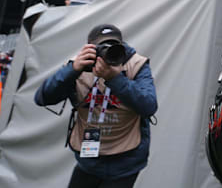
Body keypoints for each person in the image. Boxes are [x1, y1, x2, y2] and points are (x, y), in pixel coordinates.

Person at [34, 24, 157, 188]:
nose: (107, 52)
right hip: (88, 160)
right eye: (102, 47)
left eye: (113, 46)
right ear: (90, 48)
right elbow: (43, 98)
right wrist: (72, 70)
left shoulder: (136, 64)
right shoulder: (79, 65)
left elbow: (149, 106)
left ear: (121, 46)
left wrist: (115, 79)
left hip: (126, 161)